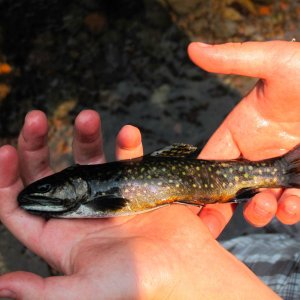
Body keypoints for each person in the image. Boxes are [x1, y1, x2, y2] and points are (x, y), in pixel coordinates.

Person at [0, 40, 299, 299]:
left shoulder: (91, 197)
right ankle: (279, 173)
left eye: (47, 189)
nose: (42, 194)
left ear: (75, 186)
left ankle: (281, 172)